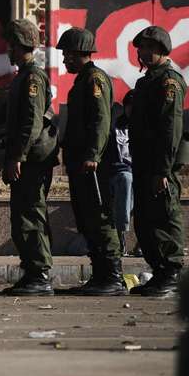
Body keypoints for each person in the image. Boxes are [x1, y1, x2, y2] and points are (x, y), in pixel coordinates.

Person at [56, 27, 126, 295]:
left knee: (100, 217)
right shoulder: (83, 79)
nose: (65, 59)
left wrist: (93, 155)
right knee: (87, 219)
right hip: (81, 162)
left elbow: (101, 121)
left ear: (79, 53)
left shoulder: (95, 79)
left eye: (68, 54)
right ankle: (100, 276)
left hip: (93, 164)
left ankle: (113, 278)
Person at [128, 26, 186, 297]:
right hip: (142, 162)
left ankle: (171, 273)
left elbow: (170, 128)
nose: (144, 52)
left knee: (164, 217)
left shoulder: (168, 82)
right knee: (145, 220)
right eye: (141, 47)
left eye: (150, 48)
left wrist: (162, 170)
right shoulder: (146, 81)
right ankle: (159, 272)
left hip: (158, 165)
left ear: (163, 50)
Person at [2, 19, 56, 296]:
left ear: (21, 45)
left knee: (31, 216)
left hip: (32, 161)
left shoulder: (33, 77)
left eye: (11, 45)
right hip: (27, 159)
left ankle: (40, 275)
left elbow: (32, 123)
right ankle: (32, 272)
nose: (8, 50)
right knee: (23, 216)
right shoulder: (23, 76)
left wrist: (18, 157)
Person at [104, 92, 134, 256]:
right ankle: (121, 231)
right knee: (126, 180)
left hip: (143, 172)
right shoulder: (116, 128)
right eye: (130, 107)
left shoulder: (147, 126)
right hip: (120, 172)